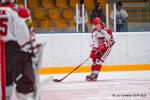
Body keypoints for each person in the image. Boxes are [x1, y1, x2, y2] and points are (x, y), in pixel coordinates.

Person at [0, 0, 42, 99]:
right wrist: (33, 50)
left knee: (7, 81)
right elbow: (29, 32)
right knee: (26, 81)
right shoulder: (20, 11)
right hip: (16, 50)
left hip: (3, 52)